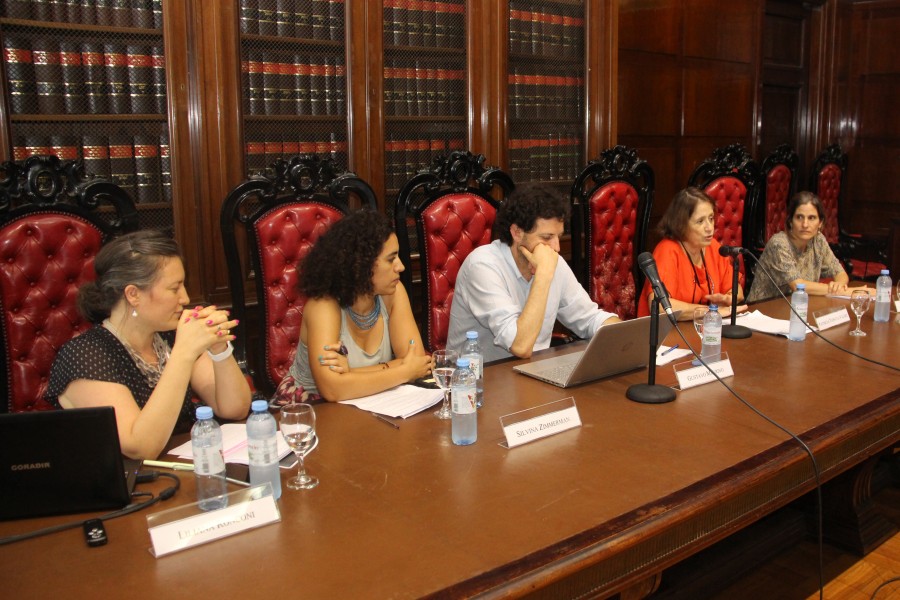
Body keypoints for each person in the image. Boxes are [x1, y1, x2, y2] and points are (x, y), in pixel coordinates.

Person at [46, 230, 251, 460]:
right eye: (174, 288)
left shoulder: (169, 336)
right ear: (133, 294)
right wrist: (183, 354)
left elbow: (235, 408)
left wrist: (218, 348)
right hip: (123, 486)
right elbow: (140, 447)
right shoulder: (85, 355)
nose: (184, 299)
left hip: (181, 470)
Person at [447, 183, 619, 362]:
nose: (556, 248)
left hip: (532, 373)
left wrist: (626, 337)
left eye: (558, 237)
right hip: (478, 381)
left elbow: (589, 318)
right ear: (517, 233)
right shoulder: (482, 266)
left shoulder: (552, 260)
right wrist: (543, 276)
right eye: (546, 238)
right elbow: (520, 346)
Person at [276, 210, 432, 403]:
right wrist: (403, 370)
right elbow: (332, 390)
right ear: (360, 264)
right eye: (391, 259)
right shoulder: (324, 306)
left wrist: (350, 374)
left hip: (370, 399)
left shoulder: (394, 292)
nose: (401, 266)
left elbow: (417, 363)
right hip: (308, 409)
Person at [638, 187, 746, 320]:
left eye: (711, 218)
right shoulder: (667, 250)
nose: (709, 227)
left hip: (704, 328)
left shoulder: (713, 246)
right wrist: (710, 311)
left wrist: (728, 299)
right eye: (700, 221)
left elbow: (738, 291)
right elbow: (660, 307)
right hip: (666, 334)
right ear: (681, 224)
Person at [747, 191, 872, 302]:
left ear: (820, 222)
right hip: (764, 311)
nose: (805, 224)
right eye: (799, 217)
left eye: (811, 218)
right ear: (790, 221)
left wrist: (838, 286)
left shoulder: (818, 240)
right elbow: (797, 286)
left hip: (797, 308)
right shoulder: (779, 244)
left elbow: (840, 273)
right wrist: (849, 292)